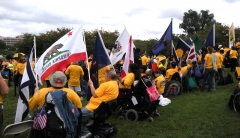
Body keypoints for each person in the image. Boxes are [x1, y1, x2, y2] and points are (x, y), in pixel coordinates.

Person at [29, 71, 82, 137]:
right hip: (67, 123)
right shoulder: (72, 93)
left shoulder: (41, 92)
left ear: (51, 80)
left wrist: (35, 94)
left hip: (46, 125)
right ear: (64, 81)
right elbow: (79, 108)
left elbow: (31, 106)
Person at [81, 69, 119, 138]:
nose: (104, 77)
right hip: (103, 108)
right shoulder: (116, 83)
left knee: (77, 115)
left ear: (108, 77)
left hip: (94, 108)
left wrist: (91, 85)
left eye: (105, 76)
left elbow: (95, 94)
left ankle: (85, 132)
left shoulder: (105, 85)